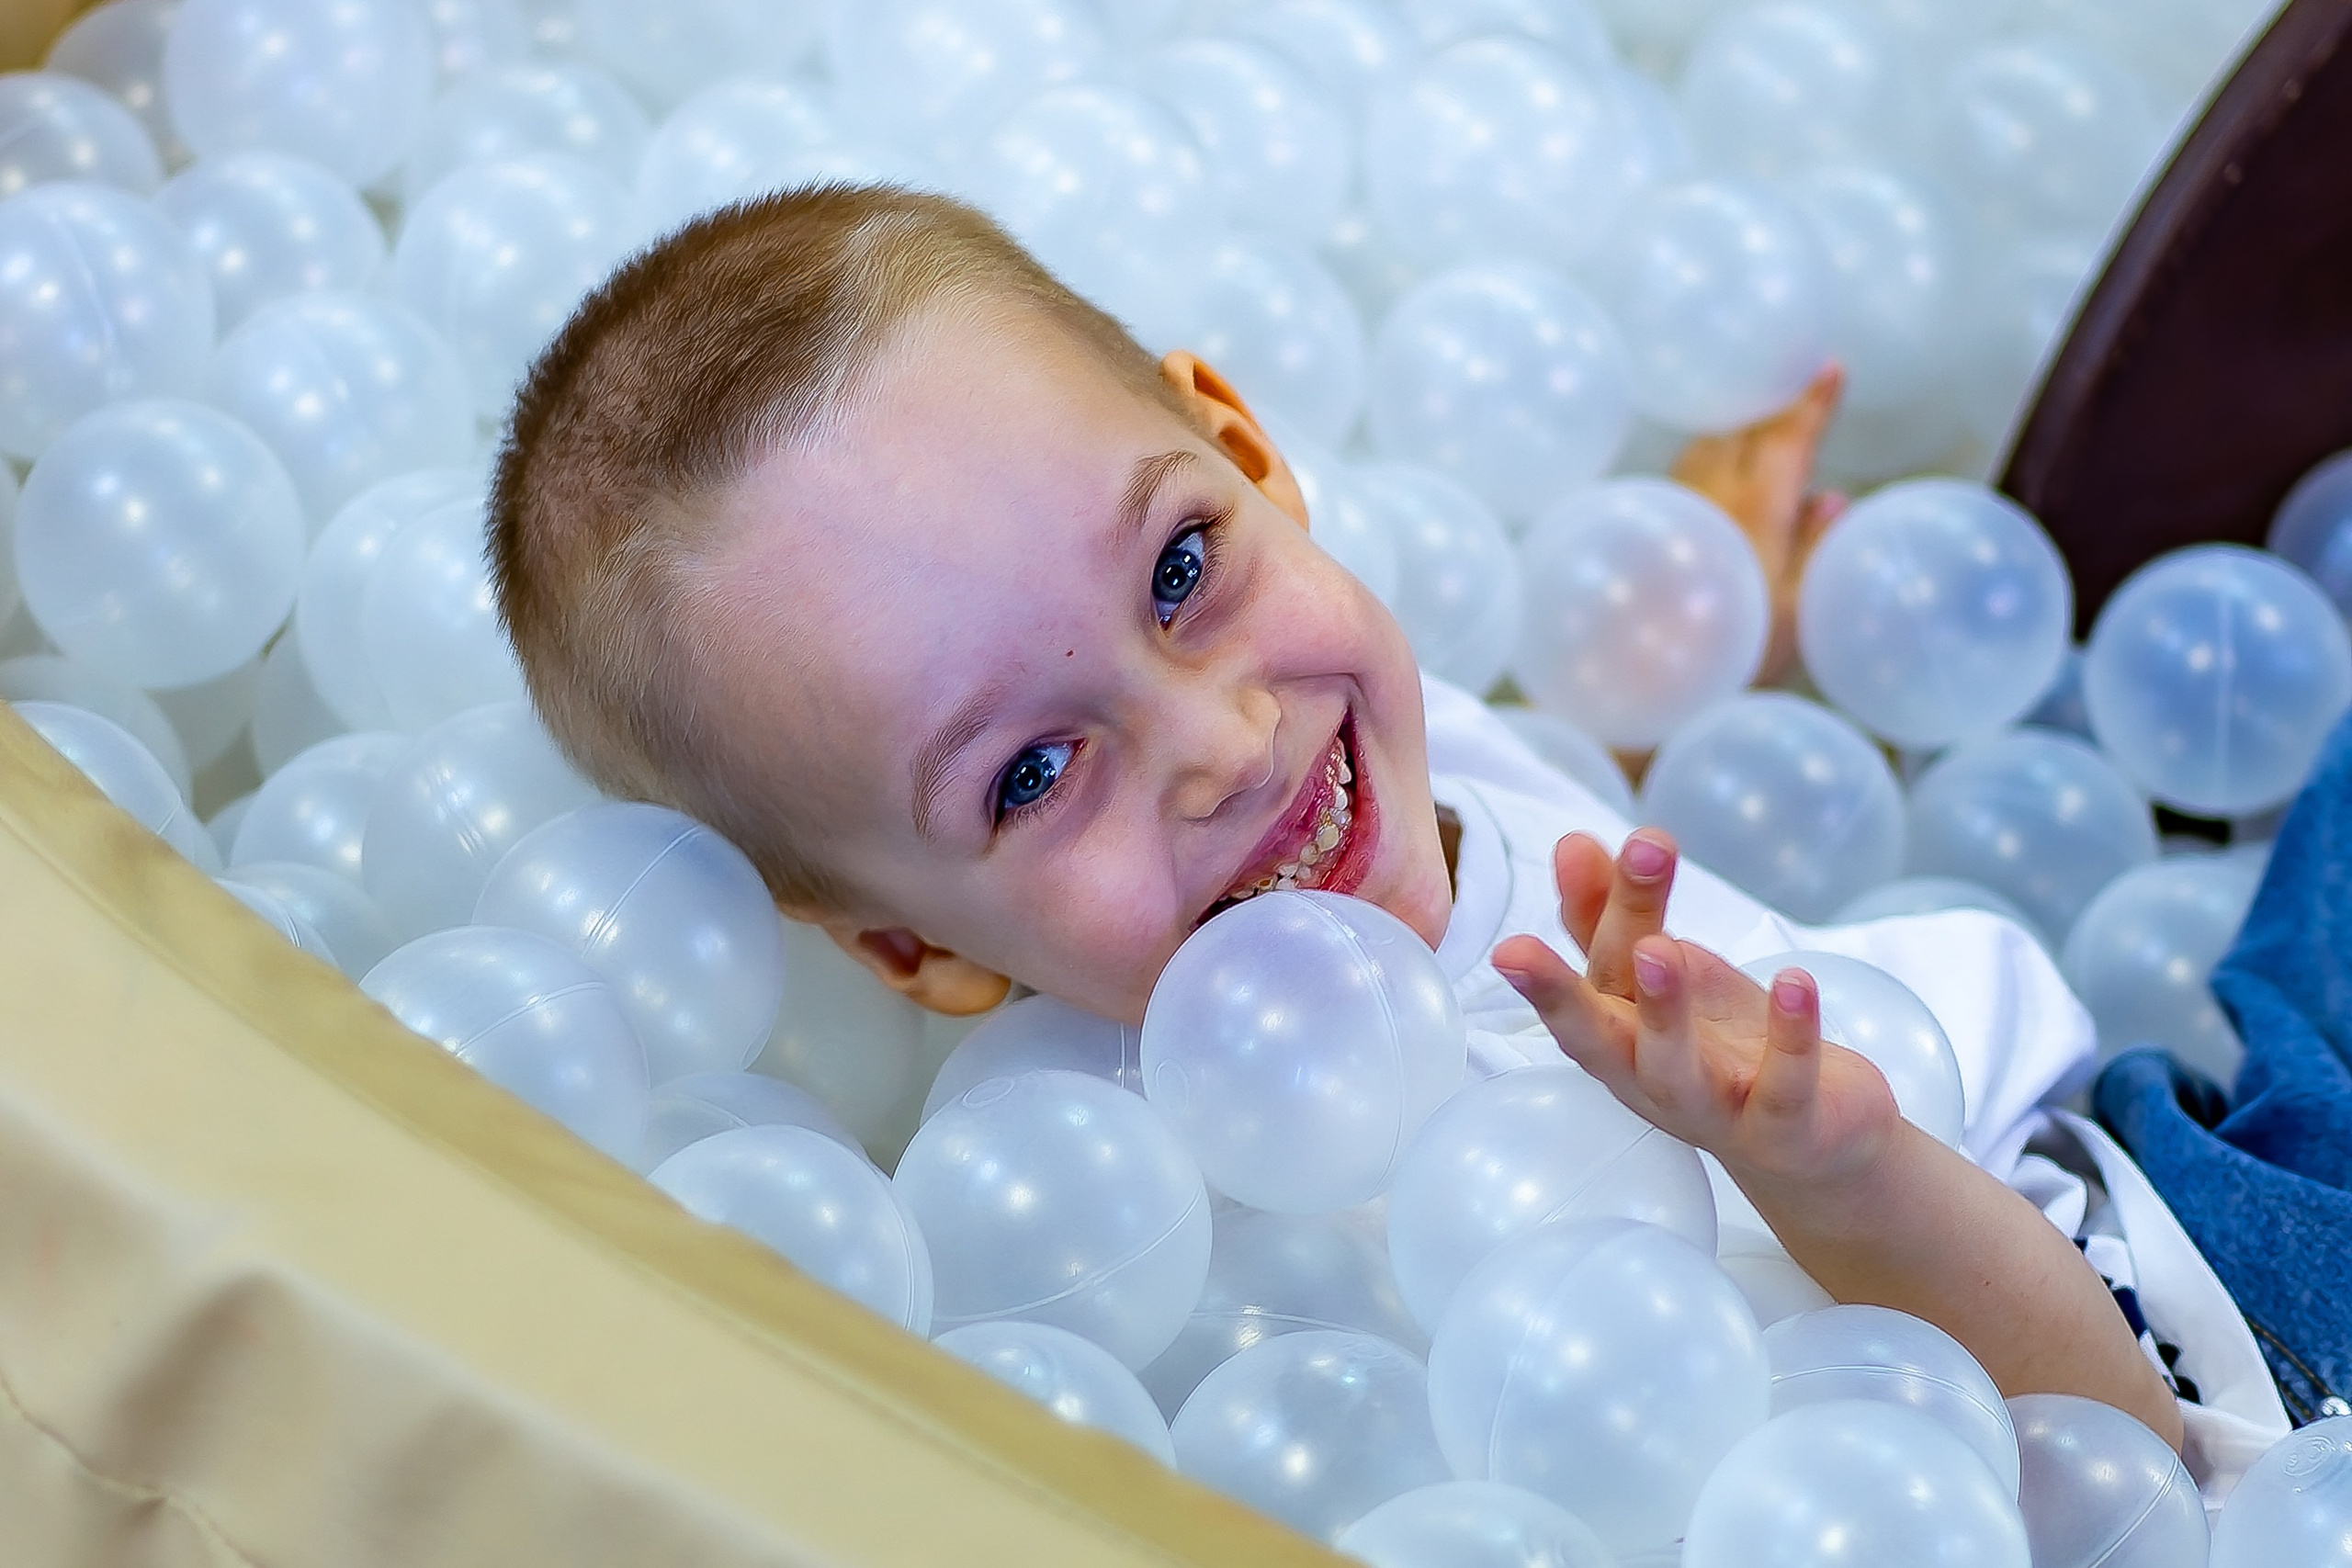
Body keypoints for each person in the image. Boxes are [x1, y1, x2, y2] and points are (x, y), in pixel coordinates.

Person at [487, 184, 2288, 1488]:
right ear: (913, 949)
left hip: (2144, 1130)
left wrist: (1697, 606)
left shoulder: (1328, 752)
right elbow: (2130, 1480)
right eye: (1030, 776)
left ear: (1245, 449)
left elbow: (1504, 846)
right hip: (2200, 1330)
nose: (1222, 744)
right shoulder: (1265, 1248)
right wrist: (1846, 1181)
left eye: (1178, 567)